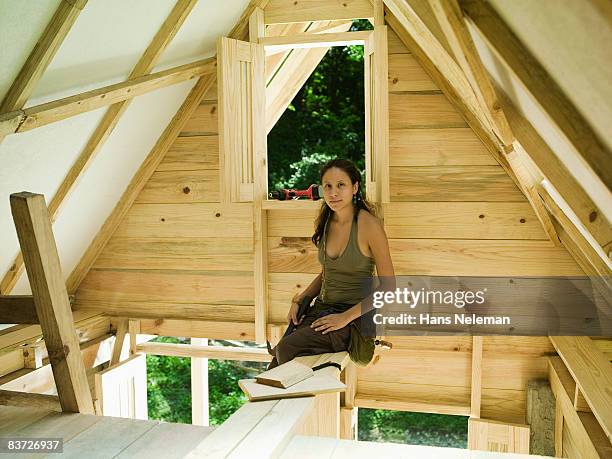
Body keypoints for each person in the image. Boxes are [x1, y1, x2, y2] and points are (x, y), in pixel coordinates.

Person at [267, 158, 395, 369]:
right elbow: (328, 273)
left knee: (286, 349)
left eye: (340, 185)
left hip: (353, 318)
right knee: (276, 361)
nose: (333, 193)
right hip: (323, 309)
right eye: (328, 186)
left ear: (355, 187)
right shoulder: (326, 220)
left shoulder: (369, 225)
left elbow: (390, 288)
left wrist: (344, 318)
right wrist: (301, 300)